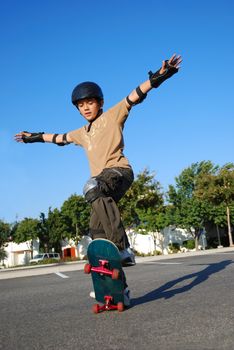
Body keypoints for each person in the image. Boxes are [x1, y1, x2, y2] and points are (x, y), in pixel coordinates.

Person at [15, 53, 182, 306]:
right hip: (102, 186)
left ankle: (123, 247)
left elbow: (135, 95)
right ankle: (118, 289)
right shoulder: (82, 133)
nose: (85, 108)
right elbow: (59, 138)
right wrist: (33, 137)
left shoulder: (112, 115)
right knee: (96, 235)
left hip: (119, 172)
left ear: (100, 103)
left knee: (92, 186)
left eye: (89, 103)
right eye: (80, 105)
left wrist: (161, 76)